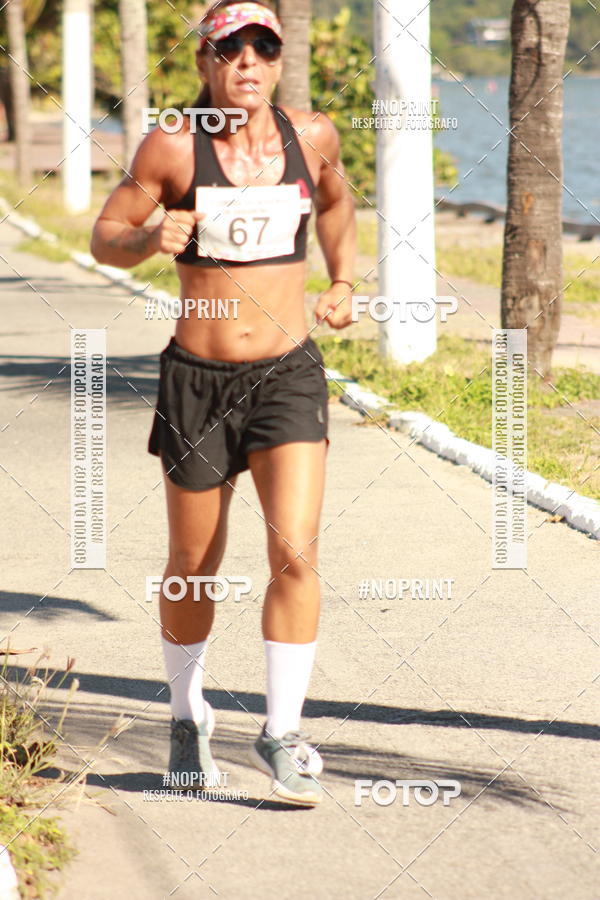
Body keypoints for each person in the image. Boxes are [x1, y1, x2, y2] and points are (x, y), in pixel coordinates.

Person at [91, 0, 356, 806]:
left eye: (262, 48)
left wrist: (343, 279)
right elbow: (106, 233)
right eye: (229, 48)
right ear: (204, 63)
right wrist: (146, 240)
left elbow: (339, 203)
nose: (247, 61)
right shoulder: (174, 145)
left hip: (287, 375)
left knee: (296, 552)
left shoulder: (313, 137)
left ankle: (280, 734)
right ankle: (185, 714)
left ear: (278, 62)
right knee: (193, 566)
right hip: (196, 381)